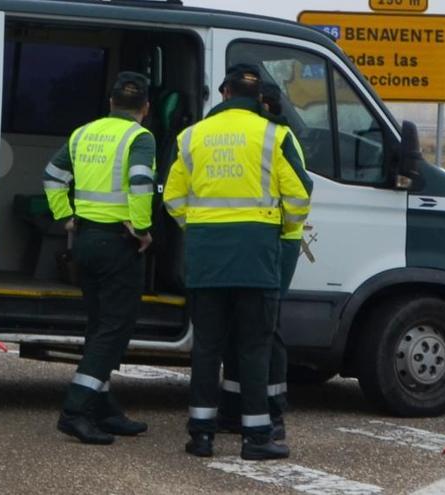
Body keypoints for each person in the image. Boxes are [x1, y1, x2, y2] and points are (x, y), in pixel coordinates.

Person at [163, 64, 312, 460]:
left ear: (225, 93)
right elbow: (299, 195)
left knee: (207, 348)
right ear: (256, 95)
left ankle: (201, 436)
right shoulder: (274, 135)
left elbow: (173, 197)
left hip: (206, 257)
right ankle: (256, 439)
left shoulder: (192, 136)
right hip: (256, 257)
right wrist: (281, 231)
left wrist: (196, 226)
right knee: (253, 348)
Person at [43, 71, 156, 445]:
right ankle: (76, 409)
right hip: (119, 245)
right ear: (145, 108)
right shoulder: (140, 137)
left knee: (99, 326)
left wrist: (65, 216)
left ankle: (104, 408)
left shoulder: (83, 133)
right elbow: (141, 184)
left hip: (87, 242)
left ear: (110, 103)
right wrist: (141, 229)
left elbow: (52, 175)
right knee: (114, 330)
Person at [218, 82, 311, 444]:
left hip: (277, 243)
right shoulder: (261, 136)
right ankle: (233, 406)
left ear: (265, 104)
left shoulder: (280, 135)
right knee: (242, 328)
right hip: (261, 242)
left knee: (265, 329)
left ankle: (273, 412)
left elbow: (299, 196)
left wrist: (277, 231)